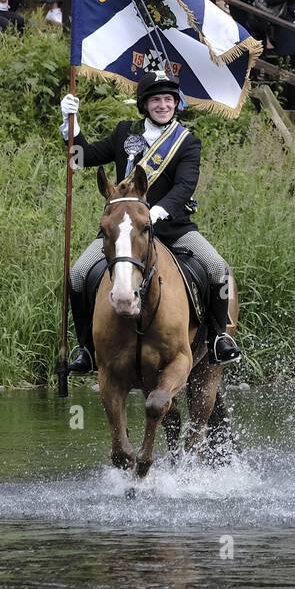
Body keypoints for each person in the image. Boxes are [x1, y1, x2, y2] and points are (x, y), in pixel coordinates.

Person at [60, 72, 242, 373]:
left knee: (216, 267)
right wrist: (72, 127)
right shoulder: (124, 132)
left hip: (172, 228)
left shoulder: (187, 143)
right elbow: (81, 158)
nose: (163, 105)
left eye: (168, 99)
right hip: (126, 232)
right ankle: (86, 348)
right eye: (156, 99)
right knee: (78, 274)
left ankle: (219, 337)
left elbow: (185, 186)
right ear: (145, 104)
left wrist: (159, 210)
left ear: (175, 104)